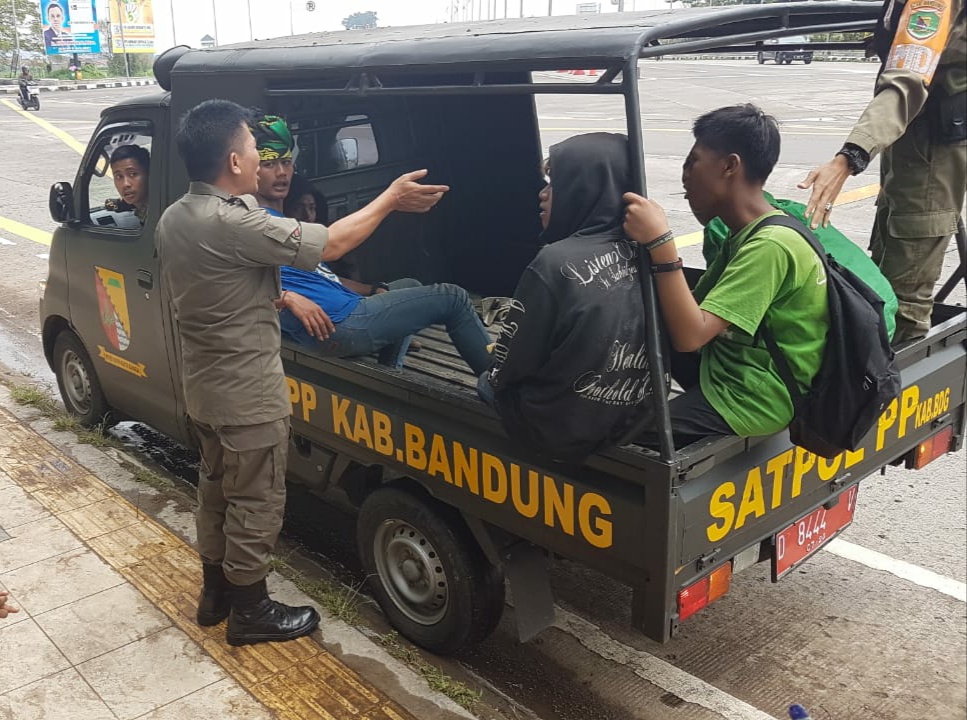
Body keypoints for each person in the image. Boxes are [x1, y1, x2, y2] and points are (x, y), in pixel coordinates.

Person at [157, 99, 443, 647]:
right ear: (235, 162)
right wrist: (390, 198)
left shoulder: (177, 216)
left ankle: (215, 593)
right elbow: (330, 243)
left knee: (216, 491)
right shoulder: (235, 222)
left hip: (205, 389)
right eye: (249, 146)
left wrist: (278, 298)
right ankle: (251, 611)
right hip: (247, 395)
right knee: (257, 500)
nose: (257, 157)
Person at [623, 104, 829, 442]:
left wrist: (662, 244)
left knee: (624, 439)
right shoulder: (747, 231)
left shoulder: (770, 246)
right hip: (731, 370)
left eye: (693, 162)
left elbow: (691, 336)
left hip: (754, 397)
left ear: (730, 166)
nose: (684, 175)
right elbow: (689, 313)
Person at [251, 115, 492, 373]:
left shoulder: (277, 221)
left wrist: (372, 288)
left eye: (286, 162)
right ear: (251, 167)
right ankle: (501, 387)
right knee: (453, 298)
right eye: (269, 164)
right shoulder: (262, 224)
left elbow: (321, 276)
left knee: (408, 286)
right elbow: (330, 246)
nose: (281, 172)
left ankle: (390, 371)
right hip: (341, 324)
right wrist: (391, 199)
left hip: (339, 313)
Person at [478, 133, 657, 461]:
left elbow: (510, 366)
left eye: (555, 184)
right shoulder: (647, 249)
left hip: (556, 431)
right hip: (630, 421)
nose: (542, 194)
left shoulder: (554, 262)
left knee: (485, 382)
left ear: (583, 188)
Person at [799, 0, 966, 343]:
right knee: (885, 281)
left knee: (903, 305)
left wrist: (849, 157)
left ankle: (902, 389)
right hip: (912, 152)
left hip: (929, 160)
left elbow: (907, 80)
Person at [104, 144, 150, 225]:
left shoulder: (159, 213)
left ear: (148, 174)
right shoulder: (138, 206)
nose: (125, 184)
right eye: (119, 176)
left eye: (133, 174)